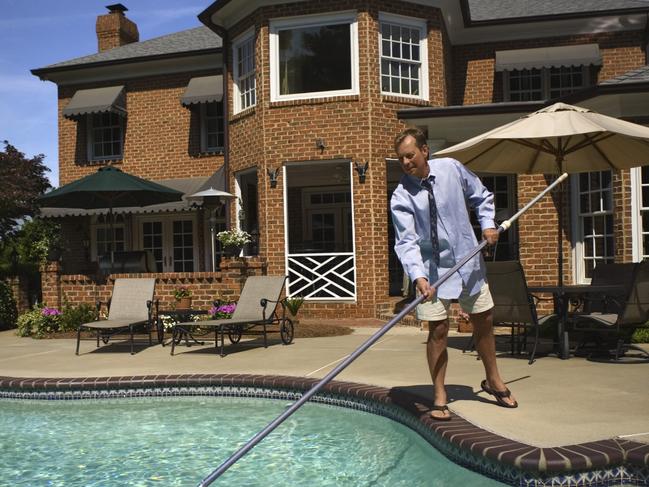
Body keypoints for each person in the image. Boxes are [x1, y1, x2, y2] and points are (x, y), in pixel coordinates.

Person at [390, 127, 517, 421]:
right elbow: (406, 241)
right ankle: (439, 393)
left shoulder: (451, 169)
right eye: (401, 159)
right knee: (438, 331)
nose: (406, 162)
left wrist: (487, 224)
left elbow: (481, 196)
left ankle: (494, 380)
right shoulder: (401, 196)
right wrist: (419, 277)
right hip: (432, 272)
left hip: (467, 261)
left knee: (483, 323)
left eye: (410, 155)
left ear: (424, 151)